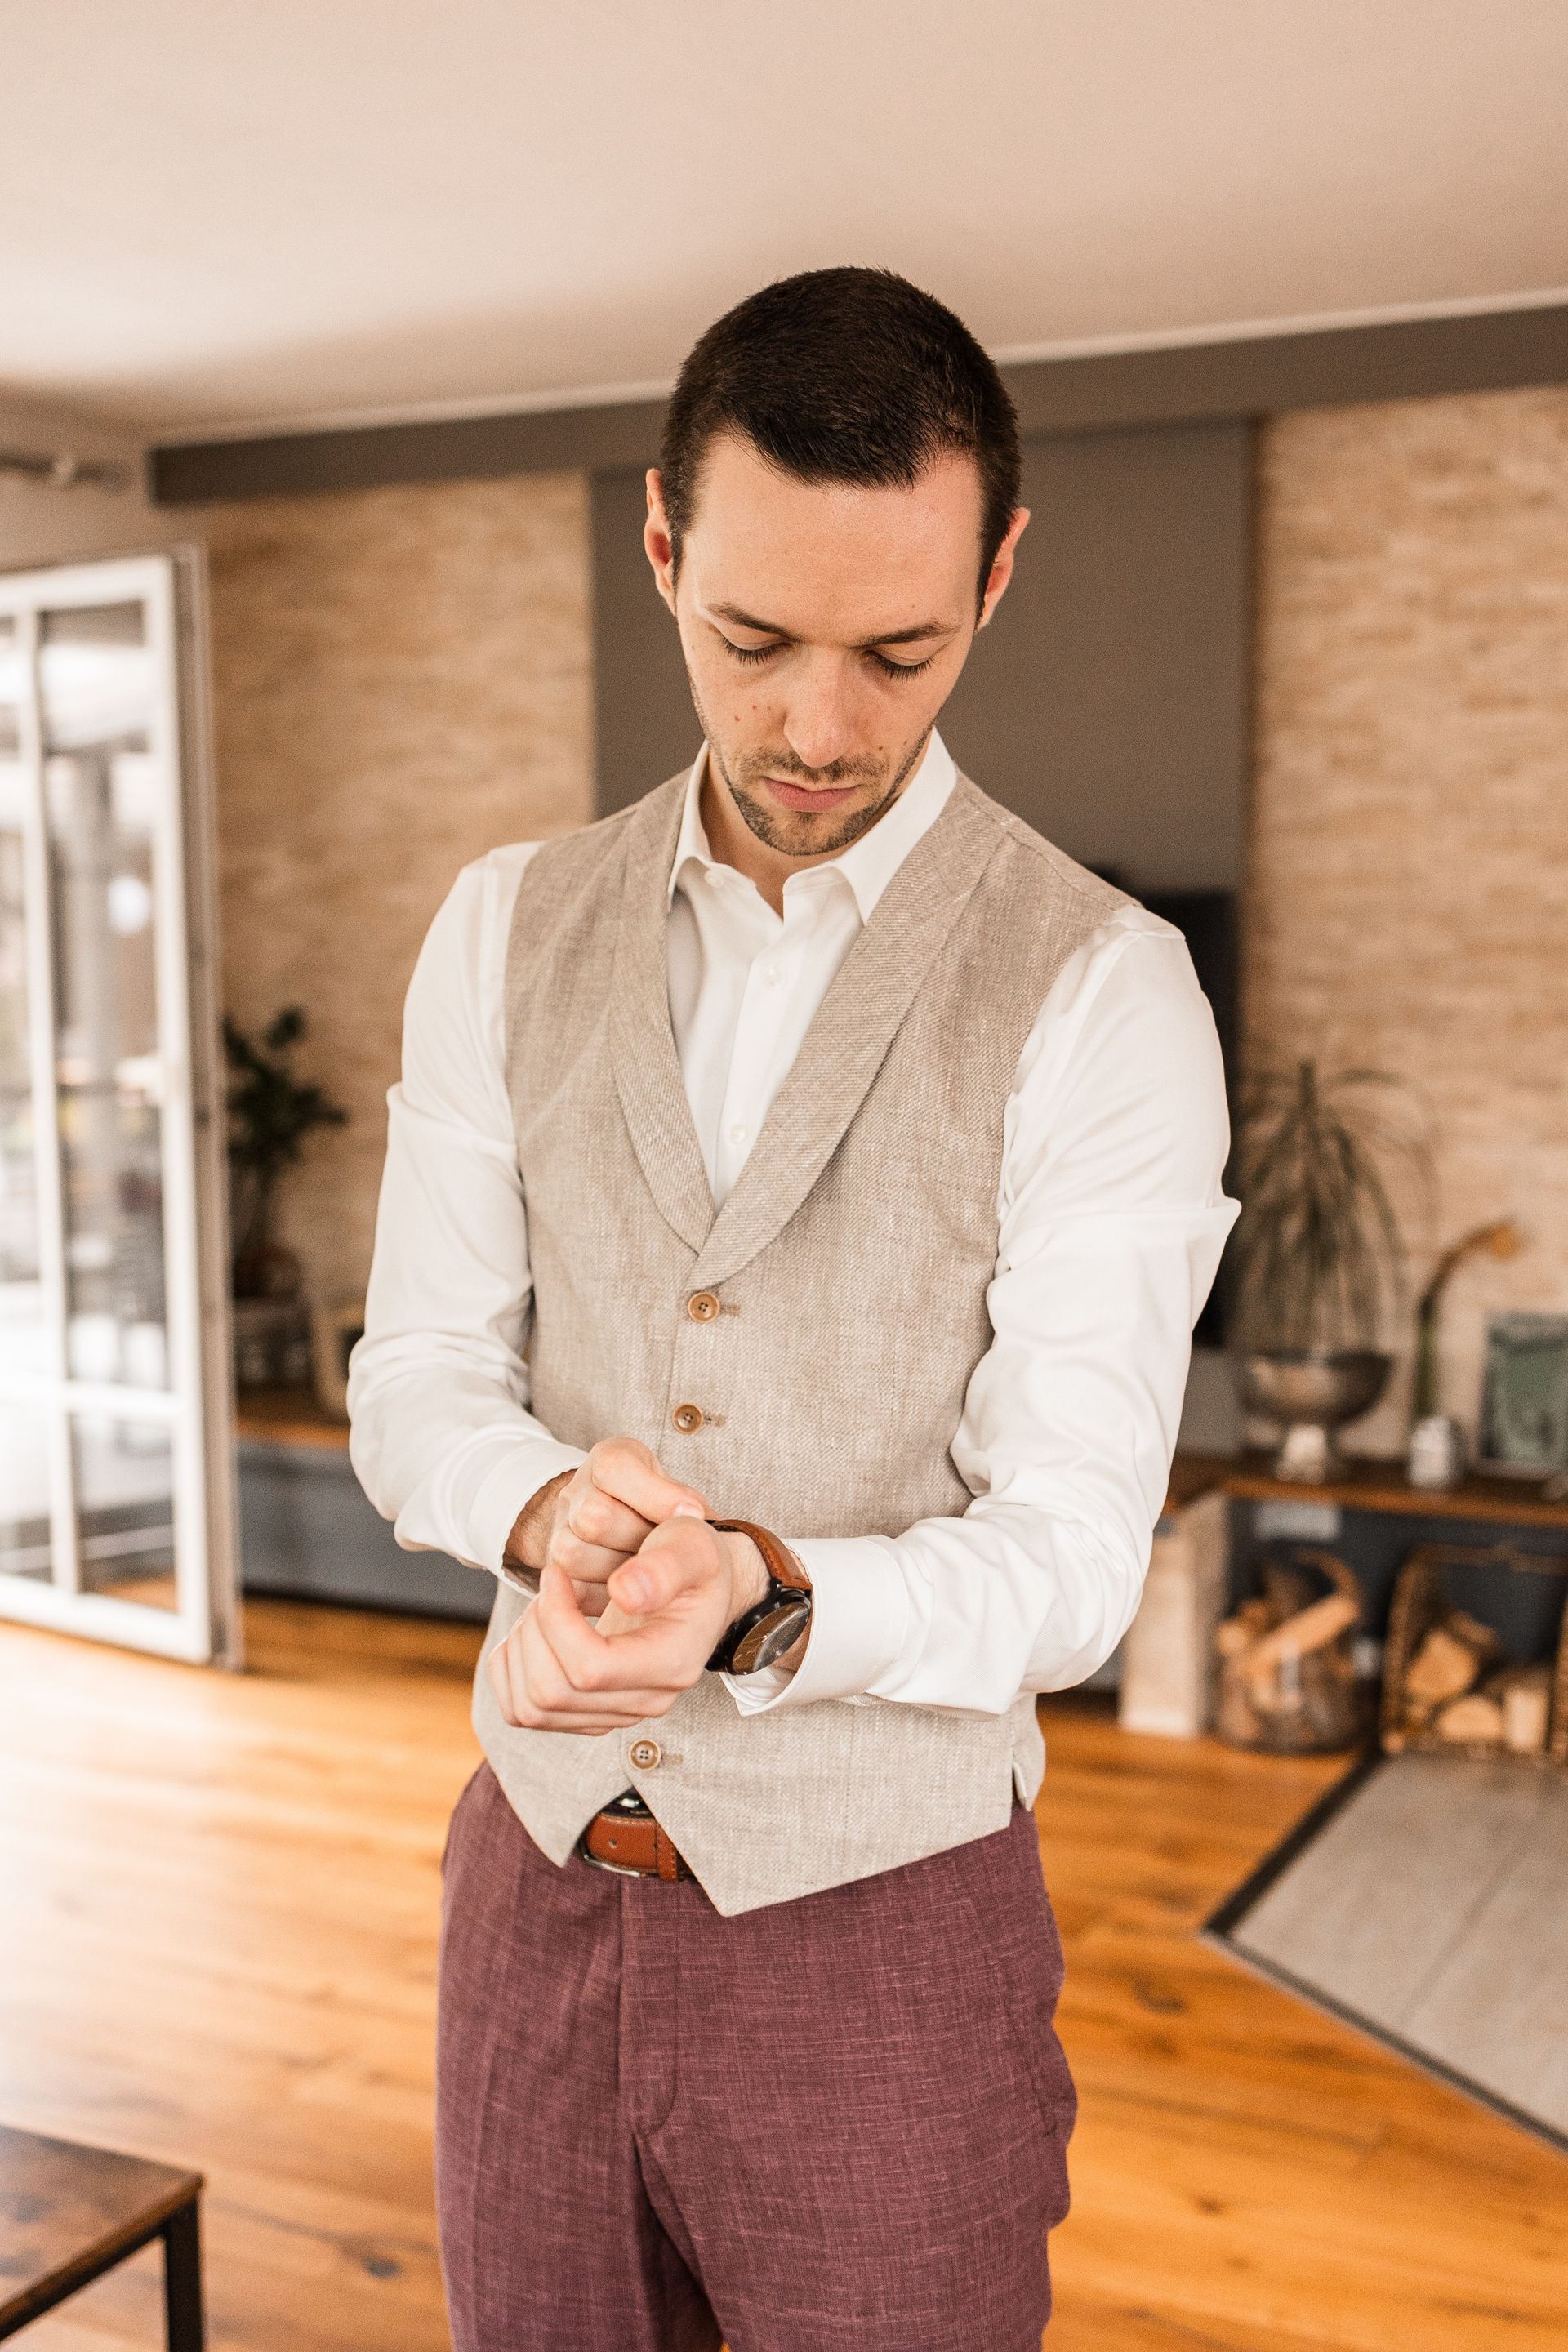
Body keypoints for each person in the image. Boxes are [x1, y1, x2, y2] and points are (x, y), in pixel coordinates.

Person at [348, 265, 1238, 2352]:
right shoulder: (501, 927)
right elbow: (416, 1378)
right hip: (528, 1903)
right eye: (753, 640)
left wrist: (762, 1594)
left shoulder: (1106, 993)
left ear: (996, 579)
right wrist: (551, 1510)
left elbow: (1074, 1559)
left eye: (898, 653)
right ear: (662, 545)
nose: (819, 730)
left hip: (883, 1948)